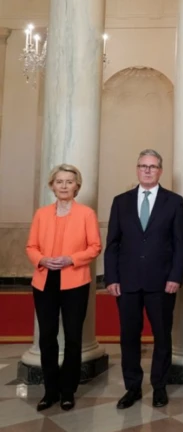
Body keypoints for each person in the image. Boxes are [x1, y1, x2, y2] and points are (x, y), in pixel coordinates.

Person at [105, 149, 183, 409]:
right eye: (143, 166)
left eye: (153, 166)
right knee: (129, 337)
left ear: (160, 170)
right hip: (126, 282)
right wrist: (111, 278)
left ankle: (159, 386)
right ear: (137, 169)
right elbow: (113, 244)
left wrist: (175, 276)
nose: (148, 170)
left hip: (162, 282)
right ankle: (132, 388)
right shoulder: (121, 201)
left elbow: (180, 245)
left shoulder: (174, 202)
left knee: (162, 336)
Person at [26, 164, 102, 412]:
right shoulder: (41, 214)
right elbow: (31, 246)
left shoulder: (86, 214)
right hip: (44, 280)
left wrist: (71, 259)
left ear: (77, 186)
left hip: (75, 282)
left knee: (72, 337)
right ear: (52, 185)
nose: (64, 186)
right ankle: (50, 391)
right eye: (59, 181)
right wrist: (41, 259)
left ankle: (68, 391)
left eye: (69, 182)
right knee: (47, 337)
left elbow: (94, 247)